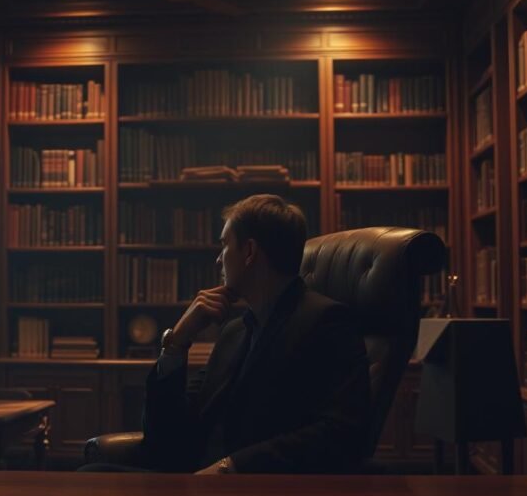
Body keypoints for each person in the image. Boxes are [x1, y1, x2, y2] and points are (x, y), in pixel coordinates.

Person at [142, 194, 370, 474]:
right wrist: (176, 342)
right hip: (195, 483)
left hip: (262, 495)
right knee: (94, 471)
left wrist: (232, 467)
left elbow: (340, 433)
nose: (218, 259)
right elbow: (168, 432)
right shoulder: (234, 331)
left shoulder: (327, 322)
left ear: (249, 251)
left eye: (224, 245)